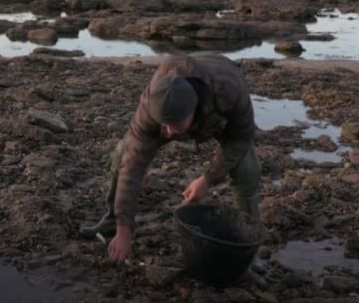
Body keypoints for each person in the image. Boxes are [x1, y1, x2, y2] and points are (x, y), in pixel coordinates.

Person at [79, 53, 261, 263]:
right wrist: (124, 230)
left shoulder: (229, 90)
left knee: (248, 170)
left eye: (175, 124)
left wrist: (208, 179)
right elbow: (133, 167)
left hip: (218, 113)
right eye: (163, 124)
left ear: (193, 110)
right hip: (181, 108)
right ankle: (113, 221)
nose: (169, 132)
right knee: (123, 155)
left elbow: (240, 140)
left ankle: (248, 244)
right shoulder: (151, 103)